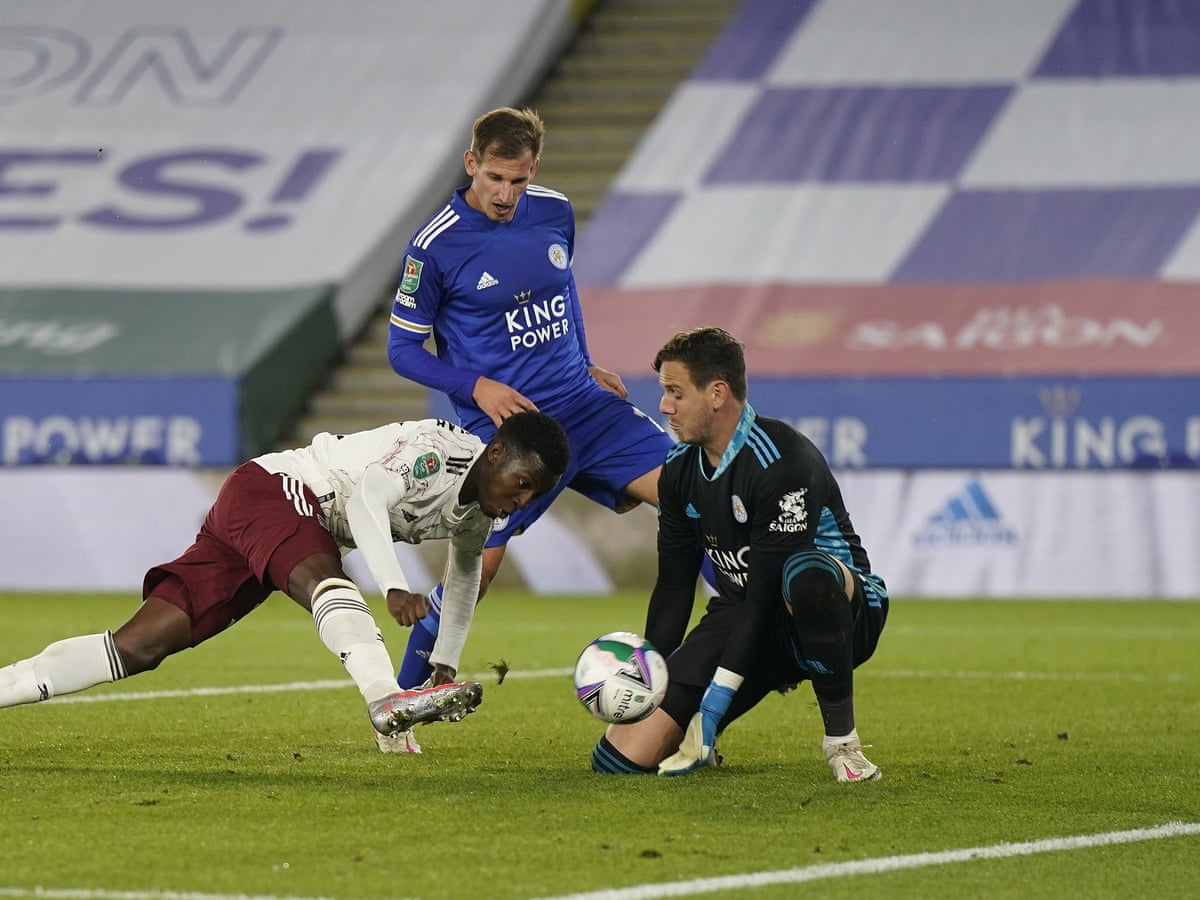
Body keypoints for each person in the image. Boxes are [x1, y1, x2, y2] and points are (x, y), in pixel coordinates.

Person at [385, 106, 697, 750]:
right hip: (511, 437)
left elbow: (563, 289)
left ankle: (736, 662)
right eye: (496, 178)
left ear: (534, 173)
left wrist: (583, 359)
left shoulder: (553, 210)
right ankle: (402, 708)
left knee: (698, 501)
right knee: (476, 572)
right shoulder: (436, 245)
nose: (506, 194)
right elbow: (402, 349)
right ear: (472, 163)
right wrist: (475, 385)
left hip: (588, 409)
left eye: (518, 181)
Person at [0, 412, 570, 744]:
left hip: (261, 520)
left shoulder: (476, 512)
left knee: (140, 647)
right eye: (521, 484)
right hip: (279, 492)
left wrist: (444, 659)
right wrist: (393, 584)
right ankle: (384, 701)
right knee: (332, 585)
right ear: (495, 454)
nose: (520, 503)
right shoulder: (438, 454)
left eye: (532, 497)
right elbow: (370, 496)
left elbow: (465, 574)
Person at [590, 327, 889, 782]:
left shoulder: (783, 462)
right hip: (744, 618)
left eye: (674, 392)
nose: (664, 406)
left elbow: (765, 597)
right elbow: (673, 587)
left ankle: (842, 745)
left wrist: (714, 703)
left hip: (836, 612)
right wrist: (647, 673)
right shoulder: (678, 470)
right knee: (620, 761)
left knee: (803, 574)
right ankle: (695, 729)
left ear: (716, 393)